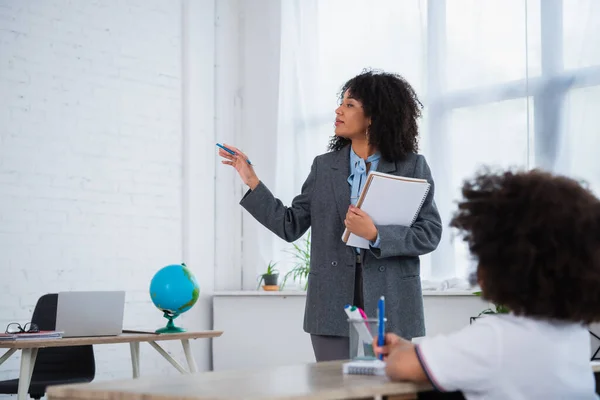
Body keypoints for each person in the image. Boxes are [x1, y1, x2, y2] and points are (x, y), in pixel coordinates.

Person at [218, 69, 442, 362]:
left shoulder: (412, 166)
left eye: (350, 105)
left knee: (389, 388)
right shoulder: (324, 167)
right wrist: (251, 181)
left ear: (374, 116)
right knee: (334, 388)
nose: (338, 109)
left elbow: (430, 233)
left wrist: (376, 234)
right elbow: (290, 225)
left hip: (393, 300)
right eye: (342, 102)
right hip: (331, 302)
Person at [373, 168, 600, 399]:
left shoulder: (495, 338)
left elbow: (401, 367)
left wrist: (400, 354)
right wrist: (407, 348)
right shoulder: (575, 334)